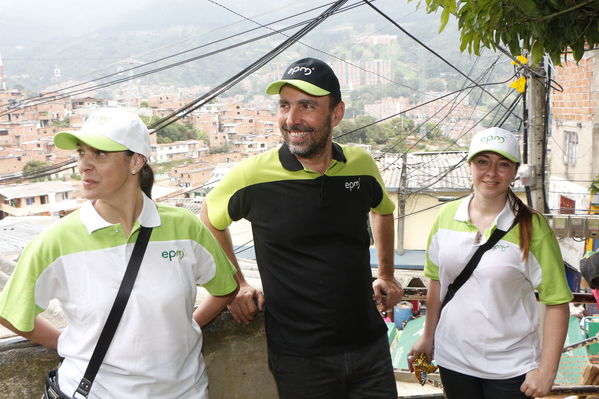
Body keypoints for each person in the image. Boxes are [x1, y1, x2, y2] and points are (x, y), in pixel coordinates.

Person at [200, 57, 403, 399]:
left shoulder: (361, 166)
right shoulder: (252, 176)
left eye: (307, 106)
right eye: (284, 105)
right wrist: (235, 284)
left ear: (336, 113)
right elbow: (209, 218)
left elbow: (383, 211)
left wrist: (387, 273)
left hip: (369, 345)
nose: (292, 119)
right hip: (300, 359)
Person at [0, 108, 238, 398]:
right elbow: (11, 313)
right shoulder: (57, 240)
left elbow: (225, 286)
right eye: (81, 154)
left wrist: (188, 329)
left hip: (185, 391)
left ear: (136, 161)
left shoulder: (184, 227)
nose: (84, 166)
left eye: (100, 154)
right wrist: (65, 343)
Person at [408, 127, 573, 398]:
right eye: (483, 161)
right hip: (454, 360)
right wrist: (428, 336)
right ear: (470, 165)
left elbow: (556, 301)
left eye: (503, 164)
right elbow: (437, 282)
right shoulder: (445, 216)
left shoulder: (533, 227)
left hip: (511, 368)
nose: (491, 172)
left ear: (515, 171)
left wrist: (546, 371)